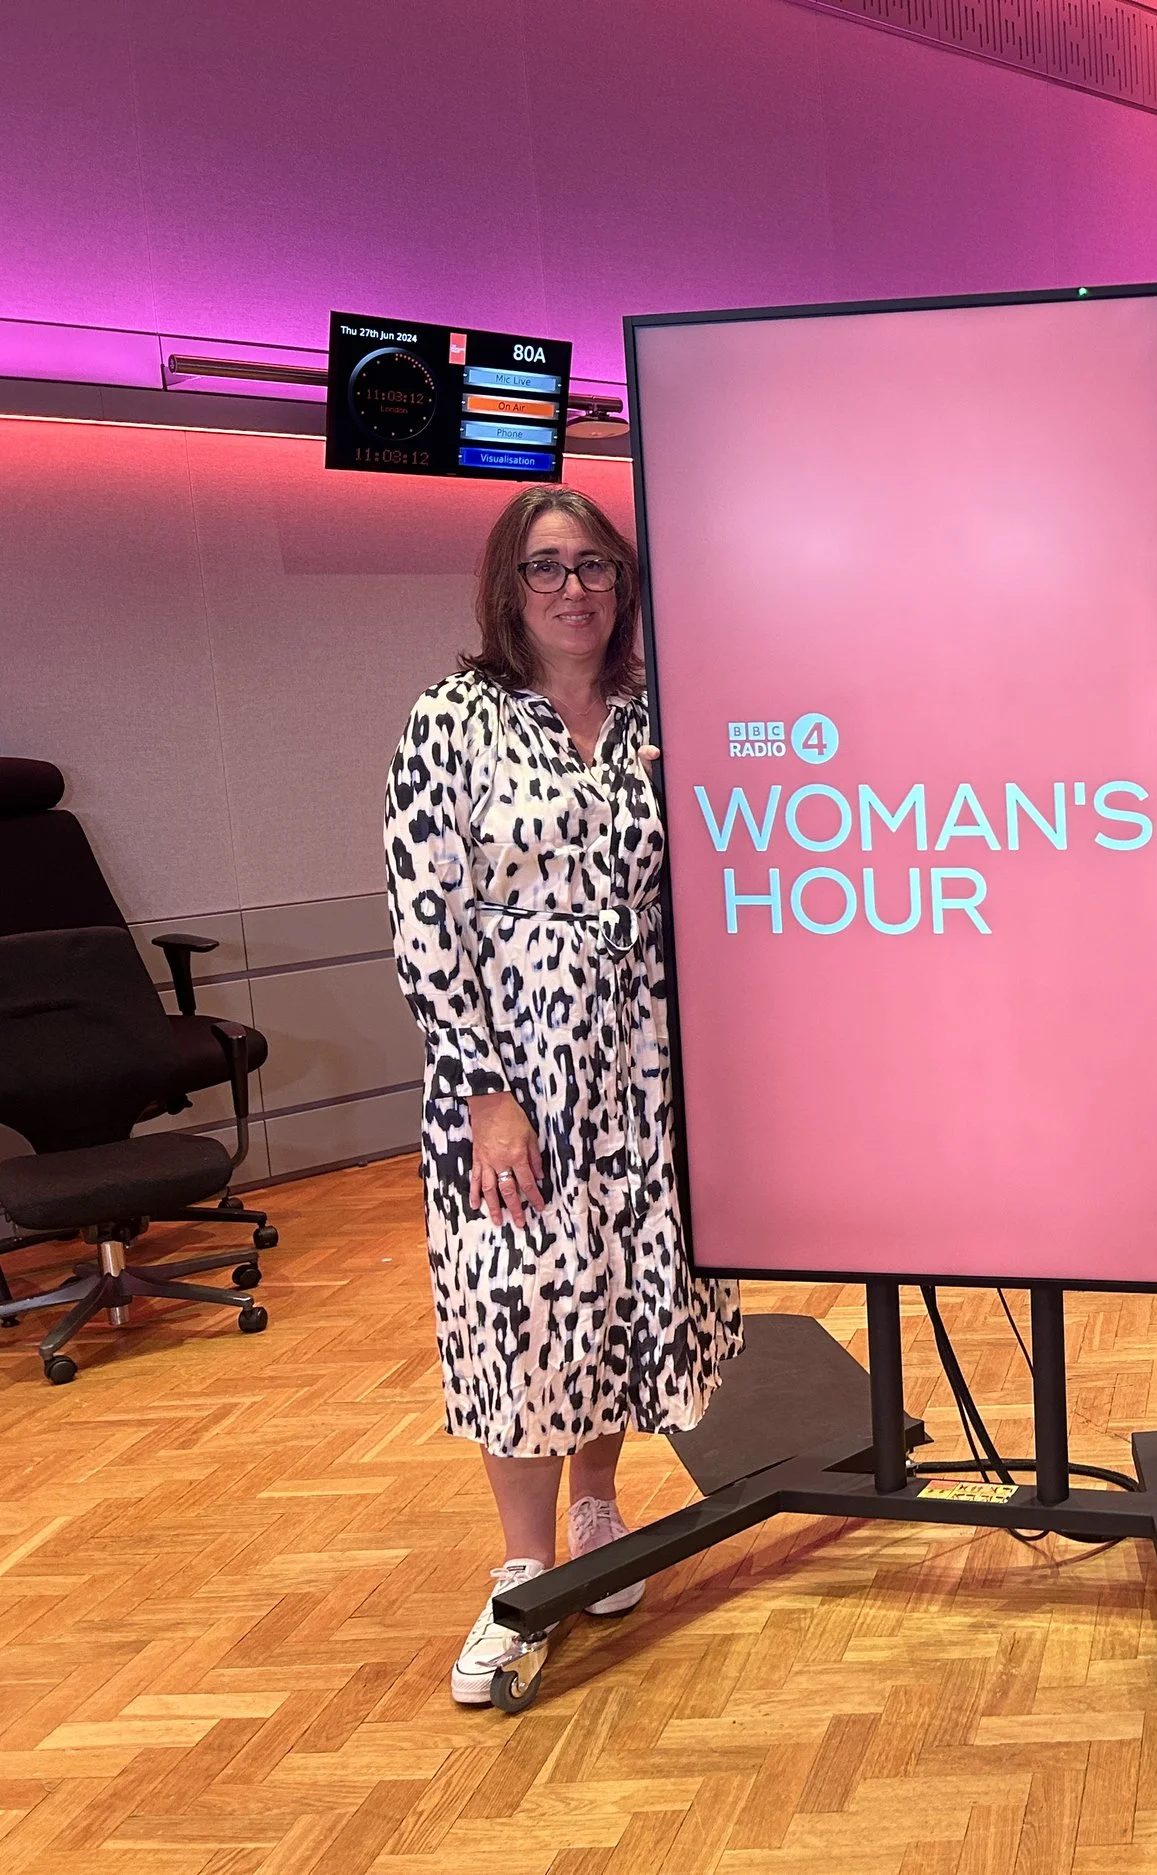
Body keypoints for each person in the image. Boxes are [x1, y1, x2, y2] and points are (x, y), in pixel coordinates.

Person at [384, 483, 741, 1705]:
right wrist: (486, 1093)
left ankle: (599, 1515)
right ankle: (523, 1570)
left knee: (624, 1295)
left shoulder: (660, 717)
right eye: (547, 568)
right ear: (508, 586)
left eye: (594, 565)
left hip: (646, 1062)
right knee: (524, 1306)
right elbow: (425, 919)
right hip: (515, 1071)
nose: (575, 587)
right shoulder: (452, 719)